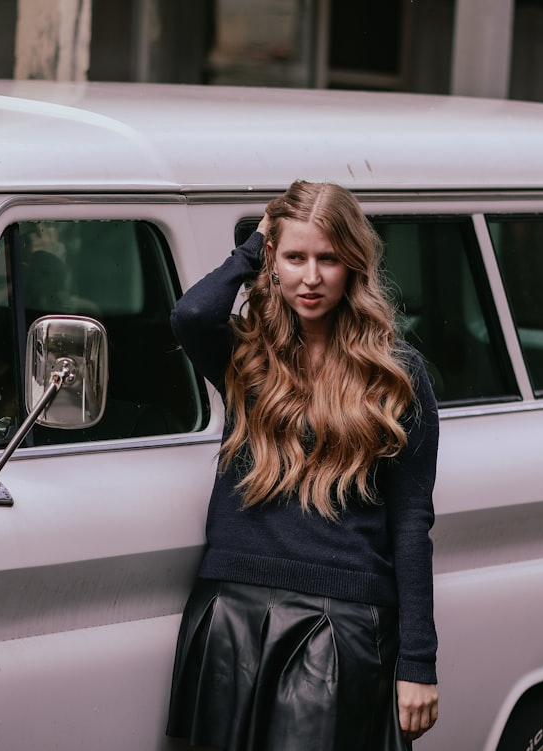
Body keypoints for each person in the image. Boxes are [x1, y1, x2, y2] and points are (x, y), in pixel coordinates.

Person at [166, 180, 439, 750]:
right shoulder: (247, 356)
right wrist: (255, 243)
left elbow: (412, 523)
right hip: (231, 608)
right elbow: (191, 313)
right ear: (274, 259)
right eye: (295, 258)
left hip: (341, 621)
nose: (310, 278)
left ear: (353, 264)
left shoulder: (395, 374)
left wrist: (418, 662)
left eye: (328, 259)